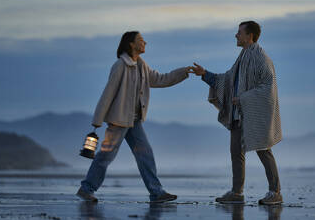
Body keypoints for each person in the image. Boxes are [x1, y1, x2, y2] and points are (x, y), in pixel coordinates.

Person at [77, 31, 192, 203]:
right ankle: (86, 189)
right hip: (118, 120)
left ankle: (157, 192)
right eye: (140, 40)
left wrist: (184, 71)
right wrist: (97, 120)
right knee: (106, 156)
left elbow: (161, 79)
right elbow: (108, 93)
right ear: (131, 44)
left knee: (145, 154)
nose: (145, 42)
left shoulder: (141, 65)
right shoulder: (120, 65)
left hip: (134, 121)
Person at [191, 21, 283, 205]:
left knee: (264, 151)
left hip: (253, 114)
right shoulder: (242, 57)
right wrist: (205, 74)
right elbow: (227, 80)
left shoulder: (260, 58)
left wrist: (244, 99)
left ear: (249, 36)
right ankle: (237, 192)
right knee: (236, 152)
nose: (236, 35)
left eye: (239, 32)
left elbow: (268, 87)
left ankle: (275, 192)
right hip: (238, 115)